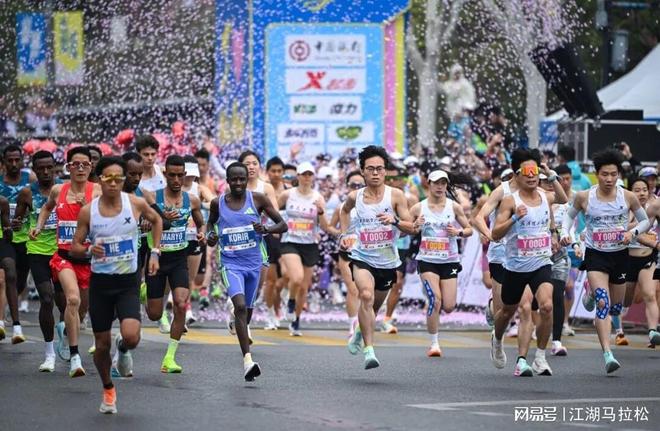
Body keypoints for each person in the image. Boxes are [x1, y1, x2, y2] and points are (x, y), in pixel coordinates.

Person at [71, 156, 163, 414]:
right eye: (108, 178)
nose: (113, 183)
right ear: (99, 179)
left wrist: (155, 253)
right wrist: (88, 249)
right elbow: (75, 246)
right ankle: (108, 389)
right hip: (100, 285)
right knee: (101, 346)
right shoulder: (88, 211)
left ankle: (123, 348)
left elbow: (157, 221)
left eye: (118, 178)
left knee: (132, 336)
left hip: (127, 283)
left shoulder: (135, 203)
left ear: (123, 180)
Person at [560, 149, 652, 374]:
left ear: (618, 174)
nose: (609, 179)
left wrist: (632, 233)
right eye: (604, 174)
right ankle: (608, 354)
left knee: (616, 307)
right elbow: (569, 216)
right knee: (603, 302)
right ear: (596, 174)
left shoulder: (627, 197)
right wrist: (565, 233)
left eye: (613, 174)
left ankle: (590, 293)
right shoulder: (585, 197)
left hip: (619, 255)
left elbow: (645, 221)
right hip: (596, 255)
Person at [206, 162, 287, 380]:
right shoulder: (217, 203)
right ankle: (248, 361)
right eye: (234, 179)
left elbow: (282, 225)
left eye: (242, 179)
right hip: (230, 264)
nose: (238, 183)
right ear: (227, 180)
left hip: (253, 264)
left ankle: (236, 320)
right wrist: (211, 236)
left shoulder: (258, 199)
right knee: (240, 306)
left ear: (247, 180)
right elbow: (210, 225)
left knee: (246, 314)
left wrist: (266, 229)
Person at [340, 145, 418, 369]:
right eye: (370, 169)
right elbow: (343, 211)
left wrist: (394, 221)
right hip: (362, 256)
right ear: (362, 171)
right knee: (365, 295)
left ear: (385, 171)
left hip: (387, 260)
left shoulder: (396, 196)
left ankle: (359, 331)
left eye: (380, 169)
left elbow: (412, 228)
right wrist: (346, 234)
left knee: (373, 307)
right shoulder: (355, 197)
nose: (375, 173)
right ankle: (369, 351)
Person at [32, 146, 102, 377]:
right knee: (72, 299)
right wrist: (39, 226)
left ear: (91, 167)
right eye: (76, 164)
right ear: (68, 167)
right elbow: (46, 208)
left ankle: (66, 332)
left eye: (85, 164)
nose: (80, 168)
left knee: (80, 313)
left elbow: (105, 221)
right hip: (64, 257)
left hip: (89, 259)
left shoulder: (98, 191)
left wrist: (85, 209)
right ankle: (75, 357)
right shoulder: (58, 190)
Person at [490, 149, 558, 377]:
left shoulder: (545, 196)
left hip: (541, 262)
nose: (531, 176)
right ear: (516, 175)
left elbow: (563, 199)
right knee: (507, 311)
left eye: (535, 171)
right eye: (526, 172)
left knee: (546, 306)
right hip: (516, 266)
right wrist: (514, 218)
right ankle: (497, 339)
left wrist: (551, 175)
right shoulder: (510, 201)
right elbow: (495, 234)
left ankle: (539, 358)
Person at [144, 155, 205, 373]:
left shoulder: (192, 200)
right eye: (172, 175)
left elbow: (200, 222)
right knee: (154, 314)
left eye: (180, 175)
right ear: (165, 174)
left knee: (180, 303)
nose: (177, 180)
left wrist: (201, 233)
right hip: (157, 259)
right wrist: (151, 221)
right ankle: (144, 292)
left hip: (179, 258)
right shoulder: (153, 197)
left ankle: (169, 358)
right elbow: (143, 221)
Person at [410, 170, 472, 357]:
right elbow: (405, 231)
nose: (439, 187)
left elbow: (469, 229)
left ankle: (432, 298)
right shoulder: (418, 207)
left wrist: (458, 233)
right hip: (427, 260)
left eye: (443, 183)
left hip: (449, 260)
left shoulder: (454, 207)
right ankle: (434, 344)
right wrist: (415, 226)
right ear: (428, 184)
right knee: (435, 300)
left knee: (449, 306)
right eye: (436, 183)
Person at [13, 150, 65, 370]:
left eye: (49, 167)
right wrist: (17, 224)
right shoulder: (27, 193)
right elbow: (17, 222)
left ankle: (64, 332)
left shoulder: (65, 189)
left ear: (55, 168)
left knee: (65, 302)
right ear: (34, 170)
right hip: (37, 251)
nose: (45, 172)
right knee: (46, 298)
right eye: (41, 168)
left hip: (62, 252)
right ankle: (49, 353)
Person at [277, 161, 330, 336]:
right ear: (298, 176)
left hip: (310, 244)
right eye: (304, 174)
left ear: (313, 177)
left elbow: (324, 226)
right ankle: (291, 301)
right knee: (297, 278)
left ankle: (296, 321)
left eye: (310, 174)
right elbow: (273, 211)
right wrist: (274, 228)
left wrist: (321, 213)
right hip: (290, 241)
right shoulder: (287, 195)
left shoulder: (318, 198)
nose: (307, 177)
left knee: (303, 287)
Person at [615, 178, 660, 347]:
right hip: (627, 259)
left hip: (647, 258)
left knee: (650, 294)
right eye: (637, 190)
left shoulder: (653, 208)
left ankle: (653, 332)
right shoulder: (624, 208)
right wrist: (640, 229)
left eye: (644, 190)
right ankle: (619, 325)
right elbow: (623, 229)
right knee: (626, 300)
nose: (641, 193)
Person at [1, 144, 36, 343]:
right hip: (4, 236)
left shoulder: (30, 180)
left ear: (22, 161)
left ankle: (7, 305)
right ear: (4, 162)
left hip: (25, 238)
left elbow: (38, 204)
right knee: (9, 274)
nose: (14, 164)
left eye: (17, 160)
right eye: (10, 160)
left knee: (19, 281)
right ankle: (15, 324)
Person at [382, 163, 419, 334]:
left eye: (396, 178)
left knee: (397, 282)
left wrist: (400, 227)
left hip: (400, 245)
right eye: (389, 178)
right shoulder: (377, 196)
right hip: (377, 244)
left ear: (404, 180)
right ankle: (367, 315)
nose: (393, 181)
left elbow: (414, 226)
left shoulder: (410, 199)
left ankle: (387, 318)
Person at [329, 171, 365, 338]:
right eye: (353, 185)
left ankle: (364, 321)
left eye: (360, 185)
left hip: (367, 252)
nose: (356, 188)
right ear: (347, 186)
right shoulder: (342, 207)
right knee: (353, 289)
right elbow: (330, 227)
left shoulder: (372, 206)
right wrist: (341, 235)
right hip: (347, 251)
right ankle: (352, 325)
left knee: (365, 290)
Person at [263, 156, 287, 330]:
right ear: (267, 172)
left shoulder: (290, 192)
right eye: (273, 171)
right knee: (270, 281)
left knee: (287, 277)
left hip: (287, 239)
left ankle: (281, 304)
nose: (276, 174)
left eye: (279, 171)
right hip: (269, 237)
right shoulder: (263, 191)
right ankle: (270, 314)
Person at [0, 196, 13, 341]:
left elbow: (7, 229)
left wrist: (9, 228)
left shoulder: (2, 202)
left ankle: (0, 322)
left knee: (1, 281)